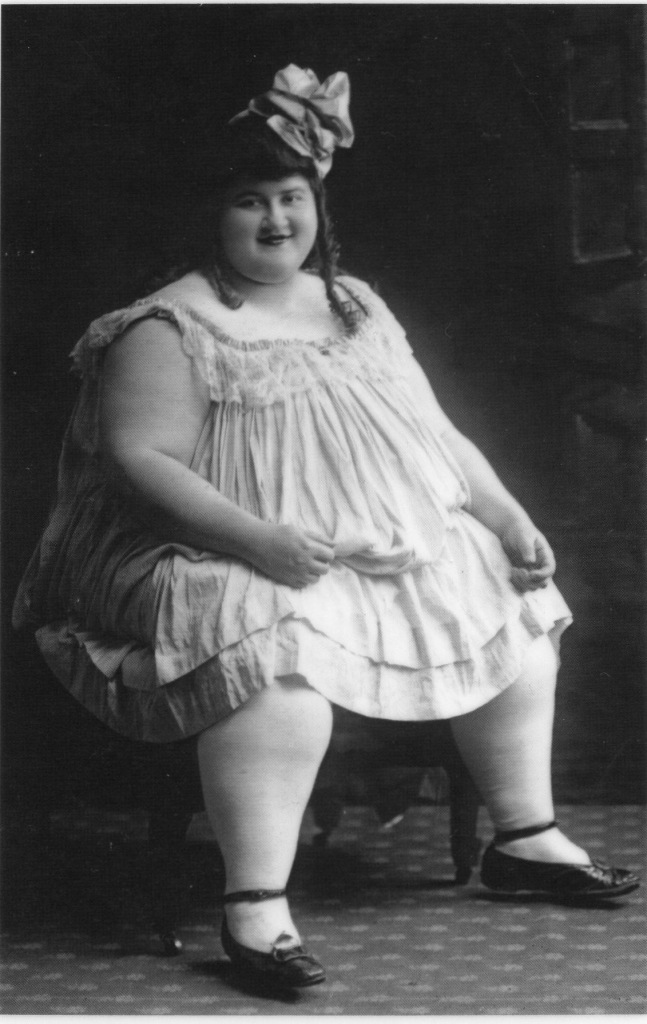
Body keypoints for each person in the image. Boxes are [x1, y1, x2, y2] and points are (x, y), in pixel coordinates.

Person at [13, 64, 639, 989]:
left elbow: (434, 432)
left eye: (291, 197)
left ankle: (523, 833)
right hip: (211, 544)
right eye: (249, 202)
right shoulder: (168, 324)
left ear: (317, 205)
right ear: (210, 217)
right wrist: (255, 539)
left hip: (366, 545)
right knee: (269, 636)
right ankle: (255, 905)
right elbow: (139, 461)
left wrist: (506, 514)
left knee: (500, 584)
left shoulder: (353, 303)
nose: (276, 221)